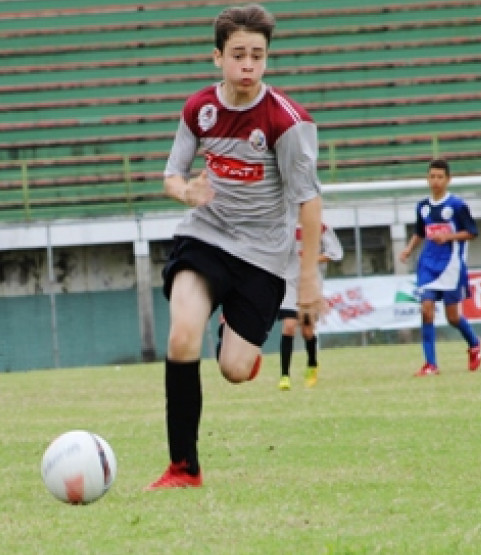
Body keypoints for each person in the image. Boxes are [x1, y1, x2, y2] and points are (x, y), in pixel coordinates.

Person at [145, 4, 326, 490]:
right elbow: (170, 176)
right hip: (205, 236)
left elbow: (309, 203)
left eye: (258, 56)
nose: (248, 65)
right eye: (239, 55)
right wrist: (187, 192)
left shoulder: (287, 121)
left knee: (234, 370)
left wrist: (307, 281)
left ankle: (236, 334)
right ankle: (184, 467)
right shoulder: (198, 108)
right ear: (218, 57)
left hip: (264, 256)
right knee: (182, 335)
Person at [399, 159, 481, 377]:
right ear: (427, 178)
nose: (435, 181)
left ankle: (474, 344)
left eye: (440, 177)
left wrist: (449, 237)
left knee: (453, 317)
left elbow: (472, 232)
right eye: (432, 176)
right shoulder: (423, 206)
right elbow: (420, 231)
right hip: (427, 264)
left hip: (451, 265)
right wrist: (408, 249)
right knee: (426, 310)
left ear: (448, 179)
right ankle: (431, 365)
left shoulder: (457, 205)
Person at [277, 223, 343, 390]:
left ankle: (312, 364)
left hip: (310, 283)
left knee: (307, 330)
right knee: (289, 326)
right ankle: (285, 375)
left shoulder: (320, 227)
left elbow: (336, 254)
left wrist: (310, 258)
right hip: (289, 283)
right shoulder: (283, 223)